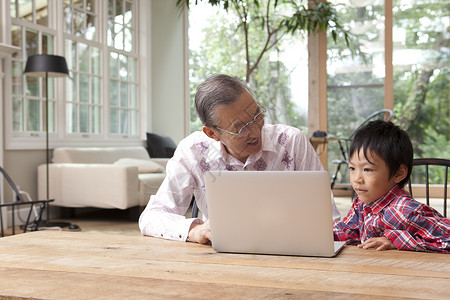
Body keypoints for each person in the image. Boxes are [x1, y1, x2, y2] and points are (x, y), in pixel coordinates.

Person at [139, 74, 341, 244]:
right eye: (240, 127)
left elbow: (329, 220)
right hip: (223, 258)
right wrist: (193, 230)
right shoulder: (193, 151)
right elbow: (151, 217)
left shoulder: (291, 142)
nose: (255, 131)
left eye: (257, 114)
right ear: (212, 133)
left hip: (293, 250)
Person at [333, 120, 450, 253]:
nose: (356, 179)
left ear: (398, 173)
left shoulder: (406, 211)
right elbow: (348, 232)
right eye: (352, 168)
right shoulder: (361, 204)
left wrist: (396, 240)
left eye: (367, 170)